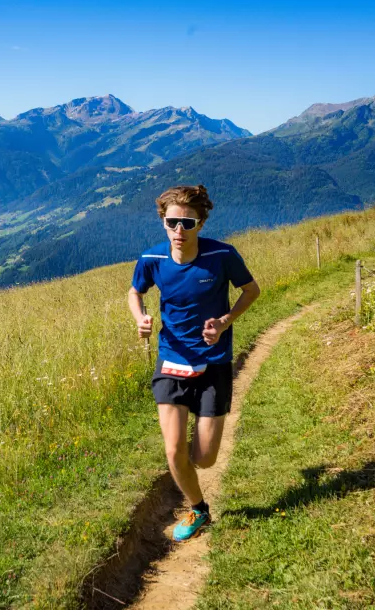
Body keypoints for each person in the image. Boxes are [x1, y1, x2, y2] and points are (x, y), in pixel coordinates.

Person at [128, 185, 260, 541]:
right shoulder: (152, 260)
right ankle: (199, 507)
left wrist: (225, 321)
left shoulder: (222, 255)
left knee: (203, 458)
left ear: (201, 223)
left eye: (188, 223)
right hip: (171, 360)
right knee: (173, 450)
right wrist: (140, 317)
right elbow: (135, 291)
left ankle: (189, 466)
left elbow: (252, 290)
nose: (179, 231)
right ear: (163, 221)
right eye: (172, 222)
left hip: (213, 363)